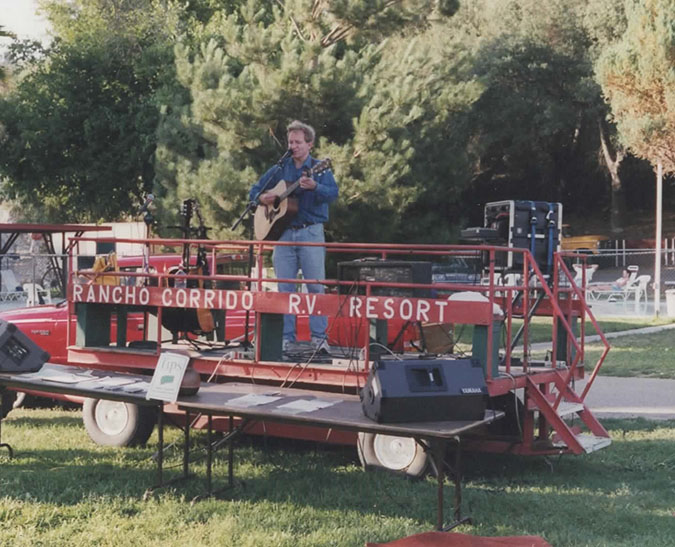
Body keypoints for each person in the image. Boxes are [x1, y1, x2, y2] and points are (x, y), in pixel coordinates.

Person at [249, 120, 338, 352]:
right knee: (284, 289)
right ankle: (286, 339)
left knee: (315, 287)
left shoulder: (321, 168)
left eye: (298, 142)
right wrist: (262, 198)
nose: (293, 146)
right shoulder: (281, 168)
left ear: (309, 144)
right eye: (290, 142)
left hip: (311, 232)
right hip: (284, 235)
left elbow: (333, 194)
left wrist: (314, 187)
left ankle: (319, 339)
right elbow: (254, 190)